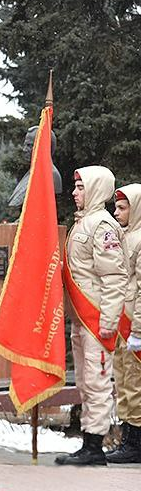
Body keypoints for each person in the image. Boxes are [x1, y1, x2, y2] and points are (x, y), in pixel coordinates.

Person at [56, 166, 128, 466]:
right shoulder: (83, 223)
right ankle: (89, 441)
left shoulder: (102, 226)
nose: (74, 193)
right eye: (75, 187)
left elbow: (114, 277)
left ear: (97, 188)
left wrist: (109, 320)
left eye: (81, 187)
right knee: (86, 381)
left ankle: (94, 446)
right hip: (81, 318)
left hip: (97, 319)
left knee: (97, 381)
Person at [108, 184, 141, 463]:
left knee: (135, 383)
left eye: (122, 207)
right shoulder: (124, 236)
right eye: (116, 207)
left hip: (134, 323)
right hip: (121, 320)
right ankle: (127, 439)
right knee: (123, 381)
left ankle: (135, 444)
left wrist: (139, 330)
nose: (116, 212)